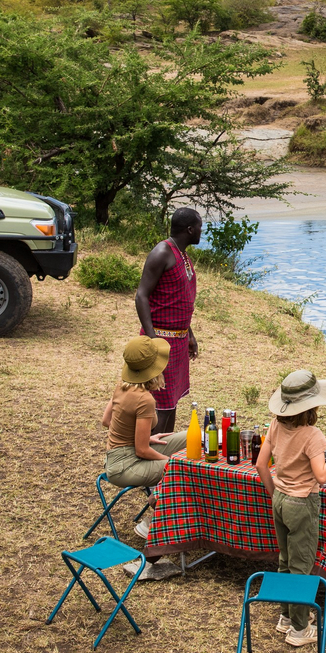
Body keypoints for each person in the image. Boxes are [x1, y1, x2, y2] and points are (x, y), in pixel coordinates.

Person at [254, 369, 326, 649]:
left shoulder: (276, 426)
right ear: (311, 406)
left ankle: (287, 616)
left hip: (280, 501)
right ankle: (300, 629)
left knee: (286, 560)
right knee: (302, 565)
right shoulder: (313, 435)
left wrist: (275, 494)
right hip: (302, 504)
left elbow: (261, 465)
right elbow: (323, 476)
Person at [98, 335, 187, 580]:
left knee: (190, 437)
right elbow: (141, 452)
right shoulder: (145, 399)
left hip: (121, 454)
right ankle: (153, 522)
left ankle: (161, 512)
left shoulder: (121, 386)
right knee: (181, 468)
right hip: (126, 465)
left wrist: (147, 438)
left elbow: (108, 421)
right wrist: (171, 462)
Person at [135, 208, 203, 433]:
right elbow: (142, 295)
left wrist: (189, 335)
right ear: (190, 229)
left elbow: (178, 299)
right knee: (159, 403)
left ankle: (165, 456)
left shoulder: (182, 254)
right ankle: (151, 456)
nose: (201, 231)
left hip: (178, 339)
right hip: (160, 340)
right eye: (200, 227)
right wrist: (153, 342)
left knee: (171, 402)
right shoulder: (162, 252)